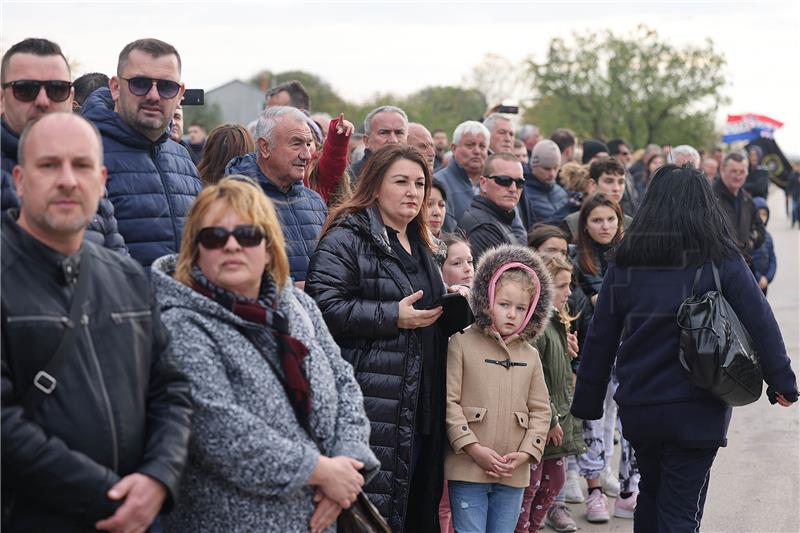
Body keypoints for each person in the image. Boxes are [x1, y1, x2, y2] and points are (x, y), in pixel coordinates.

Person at [571, 164, 798, 532]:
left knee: (653, 496)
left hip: (642, 405)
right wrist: (782, 382)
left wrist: (587, 402)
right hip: (699, 405)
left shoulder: (627, 258)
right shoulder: (719, 255)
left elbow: (601, 336)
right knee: (680, 510)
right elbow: (760, 319)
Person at [151, 177, 379, 533]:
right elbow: (217, 429)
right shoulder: (179, 323)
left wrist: (347, 465)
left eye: (247, 235)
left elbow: (344, 383)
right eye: (213, 237)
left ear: (270, 246)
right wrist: (322, 472)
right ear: (194, 251)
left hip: (321, 515)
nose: (231, 247)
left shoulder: (298, 305)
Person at [2, 112, 192, 531]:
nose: (68, 179)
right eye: (49, 165)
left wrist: (159, 476)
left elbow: (171, 388)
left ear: (102, 179)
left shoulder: (126, 276)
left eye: (82, 165)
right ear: (18, 179)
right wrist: (110, 495)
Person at [306, 144, 452, 532]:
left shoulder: (422, 241)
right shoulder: (347, 236)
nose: (413, 192)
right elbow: (321, 307)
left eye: (420, 183)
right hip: (375, 399)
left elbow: (425, 312)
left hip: (421, 400)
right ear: (375, 185)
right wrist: (392, 316)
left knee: (416, 507)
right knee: (374, 514)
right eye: (401, 181)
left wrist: (454, 308)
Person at [445, 244, 552, 533]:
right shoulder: (461, 343)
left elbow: (541, 410)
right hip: (468, 466)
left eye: (521, 308)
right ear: (487, 298)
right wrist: (473, 448)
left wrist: (527, 453)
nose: (512, 315)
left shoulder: (531, 355)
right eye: (504, 305)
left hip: (513, 471)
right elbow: (449, 403)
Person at [81, 38, 202, 267]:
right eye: (140, 83)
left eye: (166, 87)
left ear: (180, 93)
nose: (154, 96)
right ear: (115, 87)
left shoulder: (183, 159)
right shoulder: (85, 155)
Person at [1, 37, 126, 254]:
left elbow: (117, 265)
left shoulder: (86, 169)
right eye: (26, 89)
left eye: (57, 89)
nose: (42, 101)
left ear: (71, 98)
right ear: (2, 98)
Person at [515, 255, 585, 533]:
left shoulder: (557, 321)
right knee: (530, 487)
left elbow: (558, 372)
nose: (569, 292)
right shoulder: (537, 330)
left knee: (554, 482)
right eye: (562, 285)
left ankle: (533, 527)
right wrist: (551, 420)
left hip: (557, 422)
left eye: (569, 285)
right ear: (541, 287)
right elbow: (537, 379)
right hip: (541, 425)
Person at [225, 106, 327, 285]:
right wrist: (289, 292)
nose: (306, 155)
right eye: (296, 143)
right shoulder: (235, 201)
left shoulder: (315, 202)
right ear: (265, 147)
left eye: (308, 143)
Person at [460, 152, 525, 262]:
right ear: (483, 183)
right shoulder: (483, 228)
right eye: (504, 180)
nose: (513, 188)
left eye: (519, 182)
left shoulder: (500, 218)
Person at [435, 120, 490, 232]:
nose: (477, 151)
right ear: (454, 148)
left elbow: (516, 229)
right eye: (470, 145)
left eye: (482, 146)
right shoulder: (438, 184)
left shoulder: (497, 182)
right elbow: (447, 234)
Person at [560, 158, 633, 243]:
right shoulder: (571, 223)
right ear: (593, 185)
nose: (616, 188)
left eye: (621, 182)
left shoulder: (630, 224)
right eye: (609, 181)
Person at [713, 153, 765, 257]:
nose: (738, 176)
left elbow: (760, 229)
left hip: (743, 265)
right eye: (733, 171)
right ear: (722, 170)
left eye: (742, 172)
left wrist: (750, 243)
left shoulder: (748, 200)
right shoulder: (709, 197)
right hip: (718, 266)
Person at [349, 105, 408, 179]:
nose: (393, 140)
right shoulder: (351, 177)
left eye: (399, 133)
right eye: (384, 133)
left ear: (407, 138)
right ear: (366, 140)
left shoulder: (418, 173)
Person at [521, 139, 569, 227]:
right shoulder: (522, 193)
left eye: (555, 168)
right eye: (546, 168)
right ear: (534, 166)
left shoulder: (561, 192)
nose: (552, 174)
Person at [751, 197, 776, 295]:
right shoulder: (749, 235)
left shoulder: (768, 236)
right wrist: (758, 277)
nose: (761, 217)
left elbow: (773, 259)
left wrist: (767, 277)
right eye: (759, 213)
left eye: (764, 214)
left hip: (764, 283)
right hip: (751, 282)